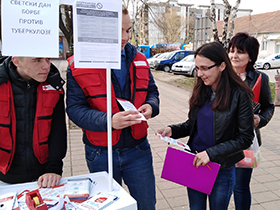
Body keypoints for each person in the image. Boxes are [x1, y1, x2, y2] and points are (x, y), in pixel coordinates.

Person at [66, 6, 159, 210]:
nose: (125, 37)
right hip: (100, 152)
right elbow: (74, 109)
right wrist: (109, 121)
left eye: (128, 30)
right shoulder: (78, 64)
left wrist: (151, 106)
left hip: (139, 149)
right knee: (108, 207)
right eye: (119, 31)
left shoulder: (140, 59)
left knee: (146, 205)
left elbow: (152, 91)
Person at [157, 42, 255, 210]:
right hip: (195, 162)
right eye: (197, 69)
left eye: (205, 68)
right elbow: (192, 125)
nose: (200, 74)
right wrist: (172, 130)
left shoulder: (240, 95)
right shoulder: (202, 89)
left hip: (221, 168)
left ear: (222, 66)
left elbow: (245, 138)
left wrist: (211, 153)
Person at [0, 56, 67, 188]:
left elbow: (57, 130)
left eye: (48, 59)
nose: (46, 66)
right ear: (16, 61)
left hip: (44, 177)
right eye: (37, 60)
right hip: (3, 175)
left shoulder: (54, 86)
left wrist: (53, 168)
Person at [228, 32, 275, 210]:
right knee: (221, 185)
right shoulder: (221, 74)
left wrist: (259, 119)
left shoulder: (260, 79)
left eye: (240, 51)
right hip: (219, 140)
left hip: (246, 142)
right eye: (232, 50)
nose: (234, 55)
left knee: (240, 187)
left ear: (250, 56)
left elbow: (269, 106)